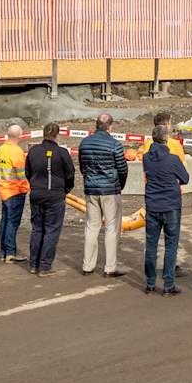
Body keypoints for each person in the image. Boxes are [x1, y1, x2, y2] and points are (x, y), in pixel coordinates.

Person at [78, 113, 129, 278]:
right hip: (110, 190)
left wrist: (88, 180)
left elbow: (82, 165)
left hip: (91, 189)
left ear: (96, 125)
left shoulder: (84, 143)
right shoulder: (115, 144)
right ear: (110, 126)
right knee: (111, 228)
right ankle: (109, 267)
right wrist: (120, 185)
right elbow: (122, 168)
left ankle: (87, 265)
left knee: (92, 227)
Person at [142, 123, 189, 295]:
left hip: (153, 205)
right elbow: (185, 178)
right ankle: (168, 284)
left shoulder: (146, 158)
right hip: (170, 205)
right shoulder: (173, 159)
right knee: (171, 245)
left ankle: (150, 282)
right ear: (166, 139)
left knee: (151, 245)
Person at [24, 122, 75, 275]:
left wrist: (35, 186)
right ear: (57, 135)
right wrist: (65, 190)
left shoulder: (33, 151)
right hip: (55, 195)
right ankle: (45, 266)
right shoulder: (62, 152)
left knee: (37, 229)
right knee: (52, 230)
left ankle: (34, 264)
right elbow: (70, 174)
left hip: (37, 194)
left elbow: (28, 172)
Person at [0, 123, 30, 262]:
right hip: (14, 191)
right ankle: (10, 252)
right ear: (20, 136)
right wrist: (25, 189)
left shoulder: (0, 150)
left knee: (5, 220)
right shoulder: (16, 152)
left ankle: (4, 252)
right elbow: (21, 175)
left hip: (4, 189)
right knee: (12, 222)